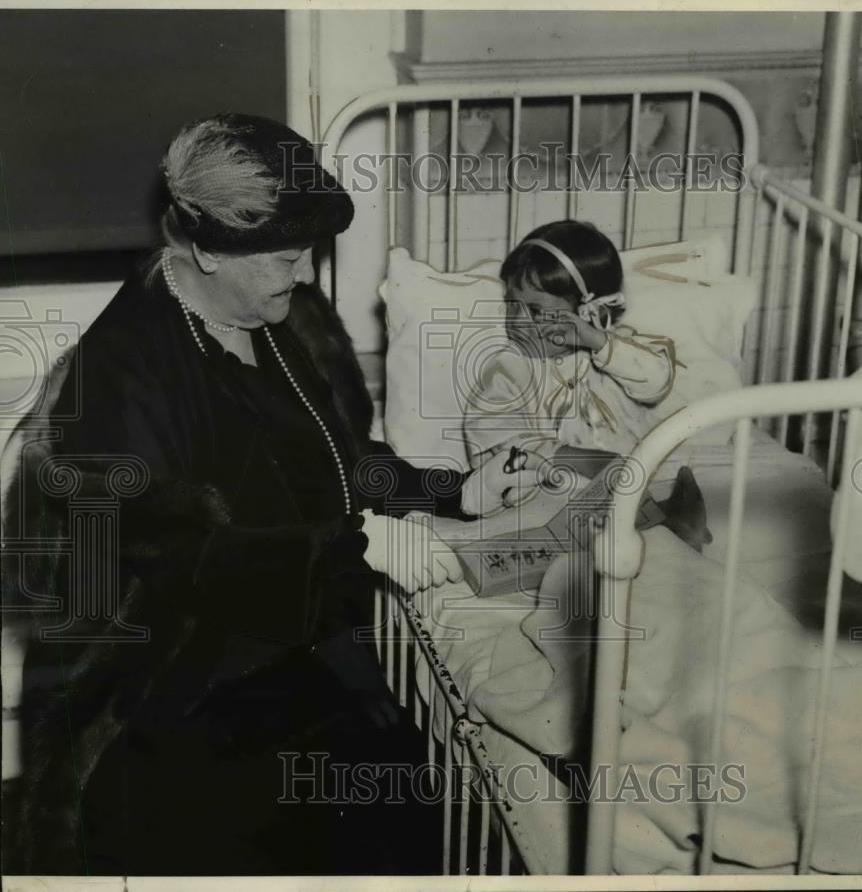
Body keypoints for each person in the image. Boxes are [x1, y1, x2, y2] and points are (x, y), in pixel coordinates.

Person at [1, 113, 540, 876]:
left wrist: (456, 490)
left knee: (409, 796)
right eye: (288, 257)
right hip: (166, 692)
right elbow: (188, 563)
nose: (306, 274)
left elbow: (341, 458)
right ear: (210, 251)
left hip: (289, 652)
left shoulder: (287, 319)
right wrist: (358, 547)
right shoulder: (118, 378)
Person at [462, 219, 682, 468]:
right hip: (546, 485)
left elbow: (657, 381)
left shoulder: (618, 350)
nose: (518, 320)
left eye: (535, 310)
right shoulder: (507, 369)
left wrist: (599, 342)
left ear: (588, 311)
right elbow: (499, 436)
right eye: (512, 304)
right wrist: (581, 461)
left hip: (631, 484)